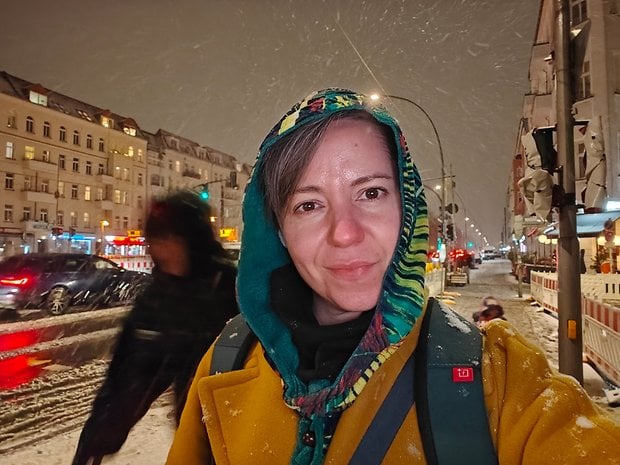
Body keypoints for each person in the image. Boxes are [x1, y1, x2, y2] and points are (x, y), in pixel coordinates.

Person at [166, 89, 620, 465]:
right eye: (308, 204)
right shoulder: (227, 364)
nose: (344, 233)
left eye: (371, 192)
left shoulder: (496, 381)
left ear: (408, 212)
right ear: (278, 232)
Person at [72, 190, 238, 465]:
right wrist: (96, 441)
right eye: (156, 240)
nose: (159, 249)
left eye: (169, 239)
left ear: (193, 241)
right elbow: (131, 378)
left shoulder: (236, 292)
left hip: (247, 434)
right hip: (195, 441)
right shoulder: (158, 299)